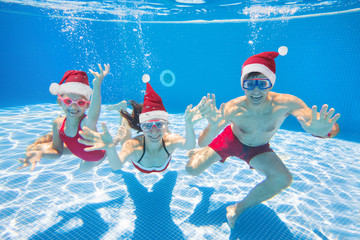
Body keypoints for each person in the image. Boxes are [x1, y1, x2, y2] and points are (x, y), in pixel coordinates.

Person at [185, 47, 341, 229]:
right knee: (191, 170)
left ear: (271, 83)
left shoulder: (286, 103)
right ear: (243, 85)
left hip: (258, 148)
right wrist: (212, 126)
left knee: (283, 179)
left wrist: (324, 130)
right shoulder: (233, 107)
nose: (256, 90)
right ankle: (200, 167)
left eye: (262, 83)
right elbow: (203, 142)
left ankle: (237, 208)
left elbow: (327, 126)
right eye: (249, 84)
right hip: (230, 140)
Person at [78, 78, 209, 173]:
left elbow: (189, 145)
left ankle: (151, 120)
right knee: (126, 135)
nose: (153, 131)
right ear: (142, 127)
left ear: (165, 123)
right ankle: (122, 110)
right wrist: (111, 148)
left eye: (158, 124)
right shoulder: (133, 146)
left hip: (164, 142)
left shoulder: (170, 140)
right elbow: (116, 166)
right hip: (138, 159)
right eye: (147, 126)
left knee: (165, 132)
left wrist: (189, 124)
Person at [18, 64, 110, 172]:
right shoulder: (57, 123)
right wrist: (41, 154)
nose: (73, 106)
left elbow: (94, 114)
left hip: (96, 156)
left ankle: (111, 143)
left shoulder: (86, 124)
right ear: (60, 102)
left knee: (82, 170)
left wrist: (97, 86)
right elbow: (57, 151)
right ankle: (53, 139)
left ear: (87, 105)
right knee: (33, 149)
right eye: (68, 101)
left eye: (80, 102)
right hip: (75, 147)